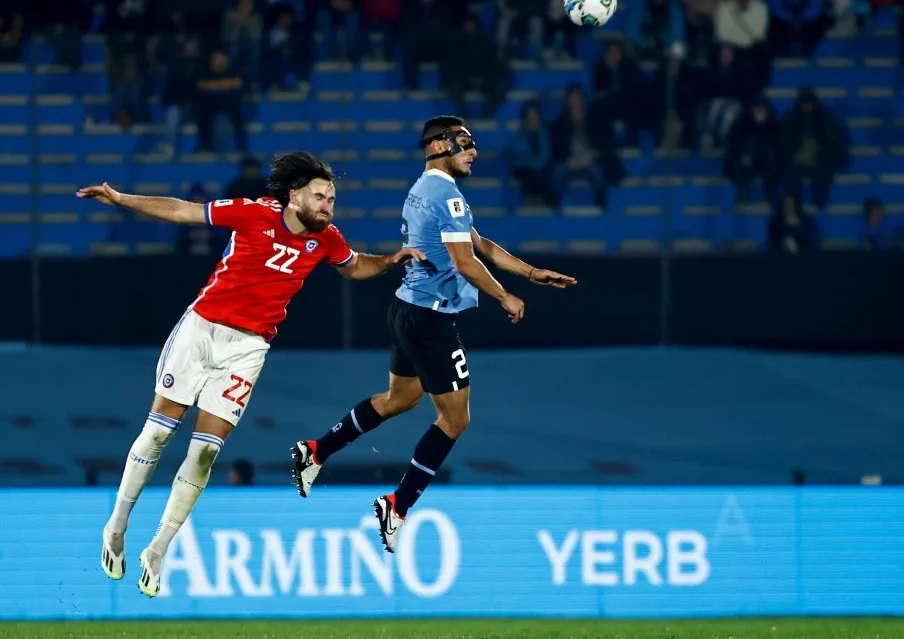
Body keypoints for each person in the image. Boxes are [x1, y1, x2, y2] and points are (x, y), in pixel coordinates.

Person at [76, 151, 424, 597]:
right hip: (201, 330)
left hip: (249, 348)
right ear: (294, 196)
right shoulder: (254, 213)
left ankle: (159, 548)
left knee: (204, 454)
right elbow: (183, 211)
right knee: (159, 433)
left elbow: (355, 265)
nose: (327, 206)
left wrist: (391, 260)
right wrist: (122, 199)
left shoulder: (326, 239)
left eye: (332, 200)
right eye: (320, 196)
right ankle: (118, 526)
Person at [290, 117, 577, 553]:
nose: (474, 151)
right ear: (440, 145)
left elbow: (479, 244)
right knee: (456, 419)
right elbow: (465, 261)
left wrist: (530, 272)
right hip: (431, 319)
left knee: (400, 399)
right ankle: (398, 505)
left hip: (408, 307)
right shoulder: (446, 195)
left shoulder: (427, 189)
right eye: (465, 142)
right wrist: (505, 296)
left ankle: (317, 450)